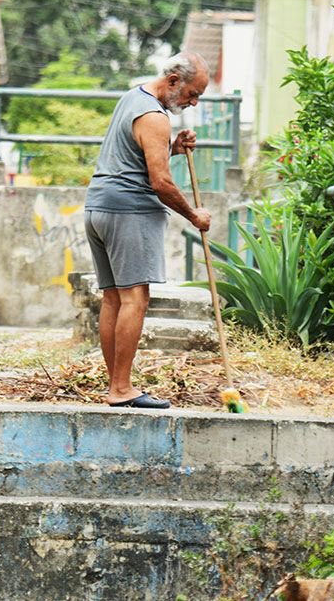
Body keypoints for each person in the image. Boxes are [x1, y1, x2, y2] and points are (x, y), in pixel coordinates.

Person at [84, 51, 212, 409]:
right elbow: (160, 183)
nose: (193, 102)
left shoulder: (132, 98)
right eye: (192, 93)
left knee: (113, 297)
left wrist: (172, 149)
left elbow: (134, 158)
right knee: (134, 298)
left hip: (99, 206)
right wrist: (193, 215)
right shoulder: (155, 117)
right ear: (173, 81)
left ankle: (116, 386)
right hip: (129, 210)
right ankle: (121, 388)